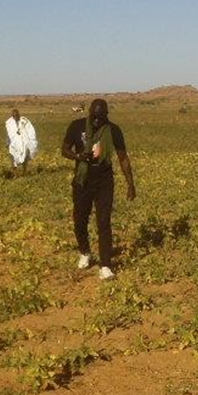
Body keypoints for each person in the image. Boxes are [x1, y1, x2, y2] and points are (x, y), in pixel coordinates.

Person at [62, 98, 136, 281]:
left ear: (106, 116)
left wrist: (130, 183)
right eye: (94, 117)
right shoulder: (76, 126)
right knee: (80, 219)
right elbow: (64, 149)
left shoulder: (113, 130)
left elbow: (122, 157)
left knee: (104, 221)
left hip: (104, 181)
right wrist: (78, 156)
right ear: (89, 113)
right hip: (82, 180)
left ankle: (105, 265)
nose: (96, 121)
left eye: (100, 117)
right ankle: (85, 252)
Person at [5, 109, 38, 174]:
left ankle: (24, 171)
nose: (15, 117)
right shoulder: (9, 123)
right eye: (13, 116)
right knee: (12, 156)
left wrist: (31, 141)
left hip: (24, 142)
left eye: (16, 115)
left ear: (18, 115)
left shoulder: (24, 121)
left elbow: (30, 131)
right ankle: (15, 172)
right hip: (13, 143)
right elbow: (9, 133)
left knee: (25, 157)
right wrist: (7, 142)